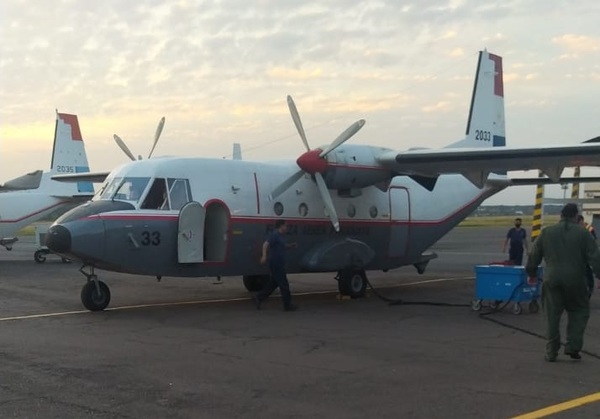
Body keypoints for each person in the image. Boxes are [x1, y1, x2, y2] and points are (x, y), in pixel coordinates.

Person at [526, 203, 600, 362]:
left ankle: (551, 352)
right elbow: (595, 257)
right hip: (576, 280)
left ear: (561, 215)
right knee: (579, 312)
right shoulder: (583, 233)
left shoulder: (547, 232)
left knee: (552, 316)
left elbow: (534, 255)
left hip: (552, 279)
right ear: (576, 215)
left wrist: (531, 273)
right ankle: (573, 346)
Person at [254, 220, 298, 311]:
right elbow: (265, 244)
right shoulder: (274, 235)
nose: (287, 227)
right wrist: (264, 256)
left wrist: (291, 246)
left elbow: (282, 246)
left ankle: (259, 297)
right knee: (284, 284)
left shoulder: (280, 236)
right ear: (281, 226)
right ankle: (288, 305)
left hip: (279, 263)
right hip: (276, 263)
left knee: (273, 284)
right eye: (286, 226)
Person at [577, 215, 597, 297]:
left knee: (588, 274)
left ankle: (588, 290)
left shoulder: (588, 228)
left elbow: (593, 241)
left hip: (585, 257)